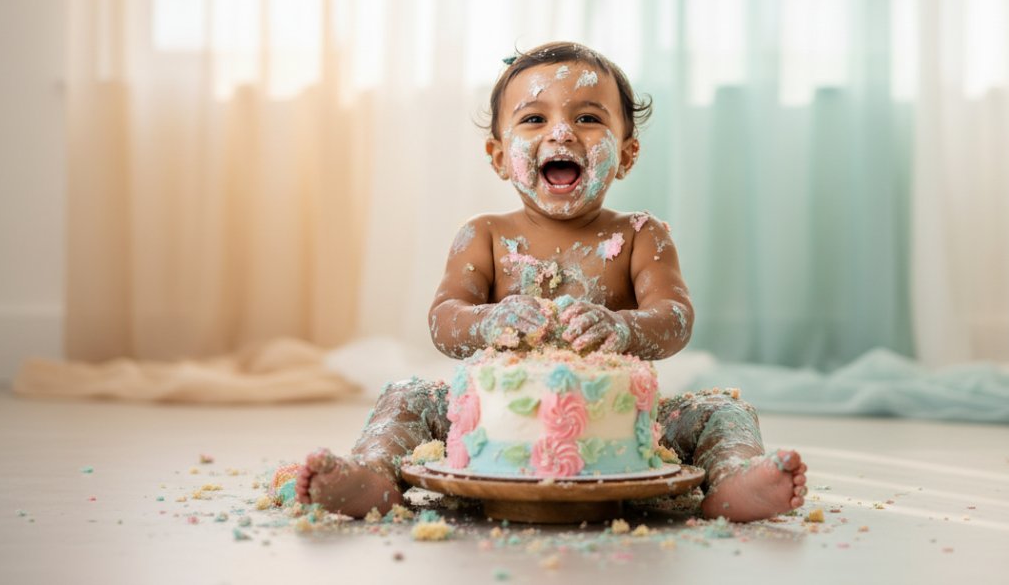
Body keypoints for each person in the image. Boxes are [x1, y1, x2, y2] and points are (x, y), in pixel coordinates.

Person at [296, 42, 807, 522]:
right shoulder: (484, 235)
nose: (562, 133)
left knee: (722, 409)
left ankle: (734, 480)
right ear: (498, 156)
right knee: (405, 395)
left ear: (627, 154)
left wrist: (625, 328)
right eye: (535, 119)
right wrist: (487, 320)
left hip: (625, 422)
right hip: (491, 422)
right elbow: (444, 321)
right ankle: (373, 473)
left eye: (587, 118)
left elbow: (675, 318)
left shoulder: (640, 236)